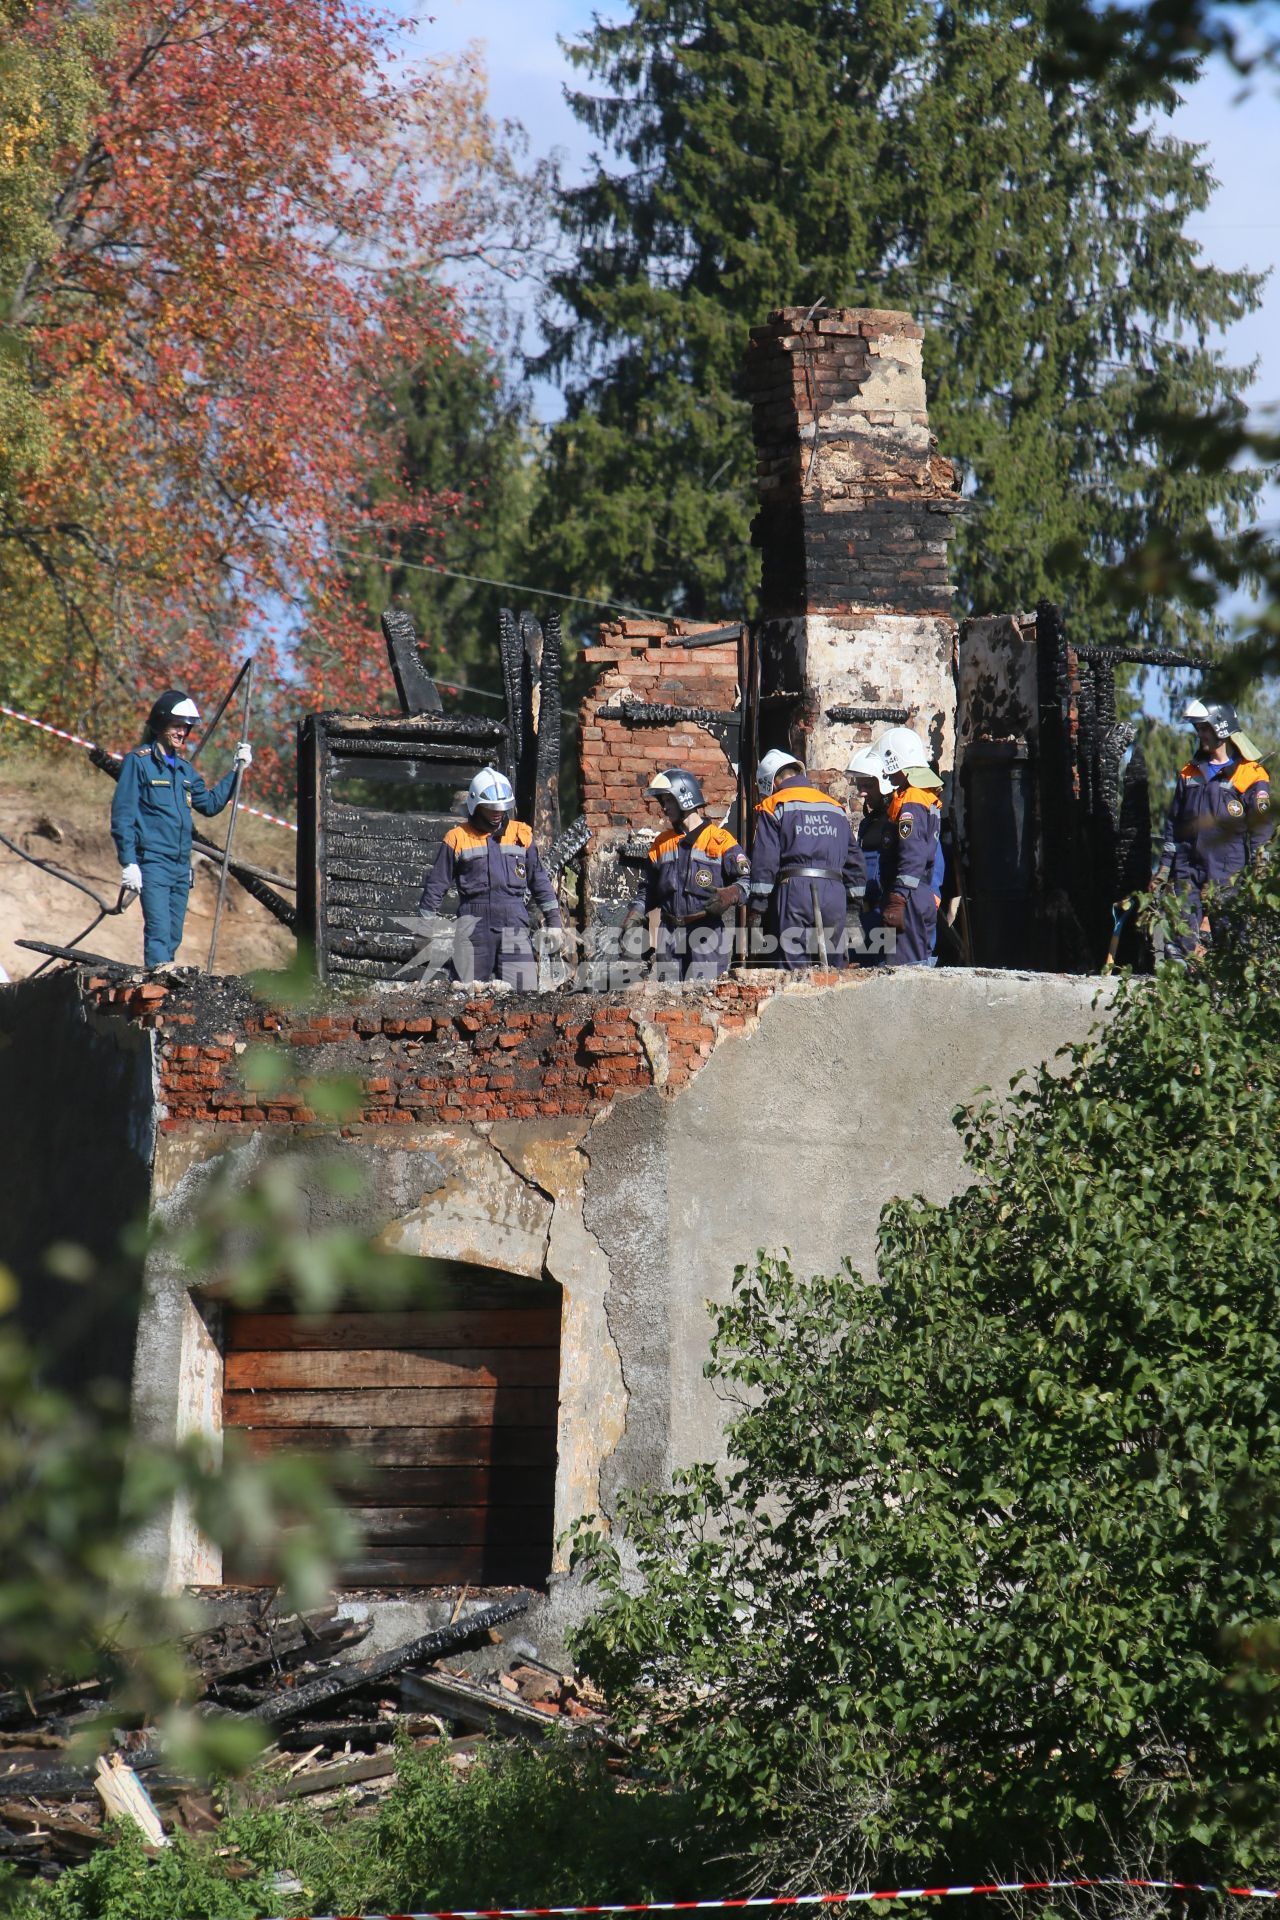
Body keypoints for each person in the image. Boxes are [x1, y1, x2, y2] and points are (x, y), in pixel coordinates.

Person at [111, 689, 251, 969]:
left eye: (186, 728)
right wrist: (129, 862)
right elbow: (122, 815)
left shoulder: (184, 771)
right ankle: (157, 988)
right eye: (177, 726)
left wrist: (236, 771)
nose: (182, 733)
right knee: (159, 934)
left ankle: (163, 986)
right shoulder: (138, 762)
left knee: (174, 935)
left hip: (180, 866)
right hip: (154, 863)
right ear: (161, 723)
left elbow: (210, 805)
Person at [418, 767, 563, 988]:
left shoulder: (520, 835)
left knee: (524, 998)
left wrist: (554, 922)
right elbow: (437, 885)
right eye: (491, 807)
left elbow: (539, 881)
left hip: (514, 924)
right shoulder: (457, 838)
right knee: (465, 996)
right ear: (476, 805)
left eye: (502, 806)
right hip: (473, 927)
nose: (498, 812)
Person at [1154, 697, 1271, 961]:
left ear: (1221, 727)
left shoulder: (1251, 774)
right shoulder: (1189, 772)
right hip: (1187, 869)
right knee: (1178, 946)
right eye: (1198, 729)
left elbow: (1261, 829)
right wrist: (1164, 868)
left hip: (1228, 872)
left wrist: (1259, 870)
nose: (1200, 735)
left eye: (1204, 728)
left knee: (1231, 947)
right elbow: (1173, 824)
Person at [620, 768, 749, 981]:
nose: (664, 807)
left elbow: (747, 881)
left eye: (668, 800)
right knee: (668, 1003)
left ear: (684, 796)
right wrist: (635, 913)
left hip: (706, 936)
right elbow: (648, 890)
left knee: (705, 1000)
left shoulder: (720, 840)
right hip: (669, 936)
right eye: (662, 801)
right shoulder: (661, 844)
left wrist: (730, 894)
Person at [747, 749, 866, 969]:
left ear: (770, 782)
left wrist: (758, 906)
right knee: (833, 971)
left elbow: (765, 861)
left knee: (793, 972)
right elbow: (855, 861)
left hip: (794, 892)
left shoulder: (775, 805)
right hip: (834, 893)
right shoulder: (835, 808)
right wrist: (852, 907)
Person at [875, 726, 943, 967]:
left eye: (890, 768)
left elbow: (912, 853)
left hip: (910, 897)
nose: (887, 775)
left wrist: (898, 897)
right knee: (919, 966)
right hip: (919, 893)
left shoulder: (912, 801)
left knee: (905, 970)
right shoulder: (926, 797)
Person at [847, 743, 894, 964]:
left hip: (888, 911)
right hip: (867, 911)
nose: (862, 792)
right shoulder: (867, 823)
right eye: (860, 784)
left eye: (868, 784)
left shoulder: (899, 818)